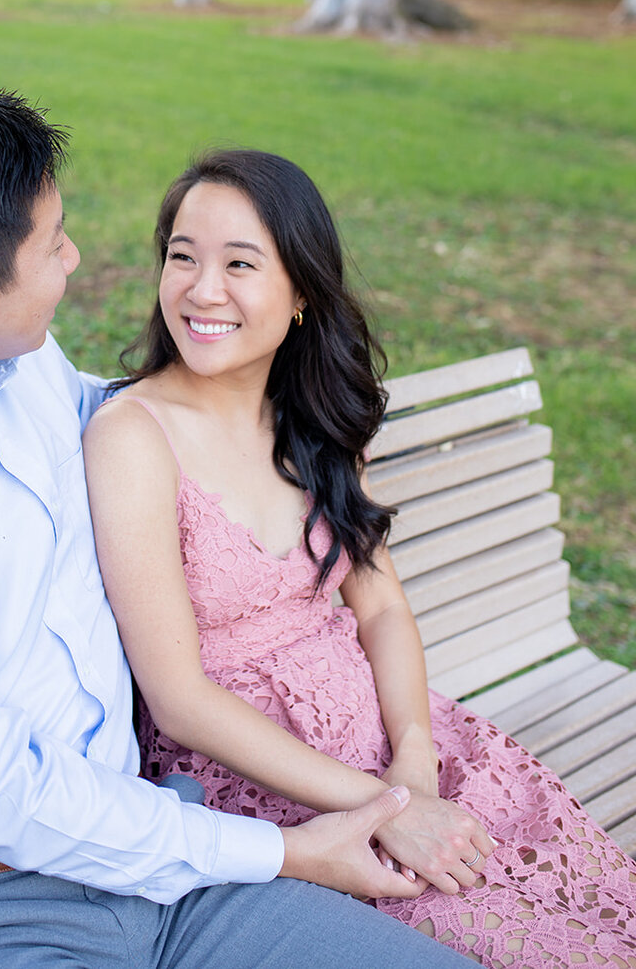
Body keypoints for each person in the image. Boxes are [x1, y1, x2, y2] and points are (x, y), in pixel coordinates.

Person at [0, 95, 471, 969]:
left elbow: (142, 420)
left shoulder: (18, 367)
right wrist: (288, 853)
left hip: (168, 875)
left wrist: (293, 404)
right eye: (54, 242)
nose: (74, 259)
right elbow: (7, 797)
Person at [84, 148, 636, 969]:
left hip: (394, 743)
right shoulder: (133, 437)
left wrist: (414, 753)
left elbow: (380, 608)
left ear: (302, 292)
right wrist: (383, 807)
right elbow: (179, 699)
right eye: (182, 257)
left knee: (597, 915)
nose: (202, 290)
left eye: (240, 263)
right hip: (267, 791)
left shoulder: (314, 420)